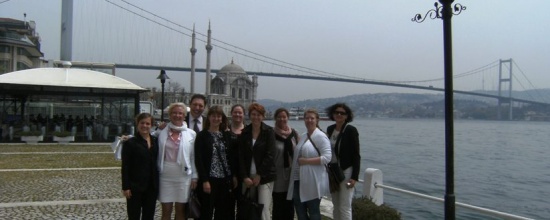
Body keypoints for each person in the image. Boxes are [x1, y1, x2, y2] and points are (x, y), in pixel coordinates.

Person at [287, 109, 331, 220]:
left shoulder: (321, 136)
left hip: (313, 180)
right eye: (307, 118)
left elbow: (327, 158)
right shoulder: (304, 136)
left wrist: (306, 161)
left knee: (313, 211)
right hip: (298, 179)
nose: (309, 120)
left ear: (317, 120)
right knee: (300, 211)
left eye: (312, 118)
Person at [194, 105, 237, 220]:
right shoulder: (202, 136)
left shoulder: (226, 135)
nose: (216, 119)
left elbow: (231, 157)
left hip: (224, 179)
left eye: (218, 116)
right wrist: (205, 180)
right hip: (210, 178)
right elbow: (199, 160)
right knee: (207, 210)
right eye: (213, 116)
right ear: (208, 118)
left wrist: (233, 176)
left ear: (222, 119)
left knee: (222, 211)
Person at [157, 103, 198, 220]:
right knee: (166, 210)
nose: (177, 115)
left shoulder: (191, 134)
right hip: (165, 175)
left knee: (180, 210)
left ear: (184, 116)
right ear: (169, 115)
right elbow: (146, 137)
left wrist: (194, 176)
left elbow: (192, 156)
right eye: (174, 113)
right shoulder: (162, 132)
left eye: (180, 113)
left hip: (183, 176)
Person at [238, 103, 276, 220]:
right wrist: (244, 176)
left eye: (259, 115)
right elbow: (240, 157)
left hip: (265, 176)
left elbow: (270, 155)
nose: (256, 117)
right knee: (248, 206)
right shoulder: (244, 133)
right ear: (249, 116)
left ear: (263, 116)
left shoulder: (269, 132)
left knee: (263, 209)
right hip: (248, 176)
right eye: (253, 114)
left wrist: (259, 175)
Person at [326, 103, 360, 220]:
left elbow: (356, 155)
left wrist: (354, 177)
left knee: (345, 206)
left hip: (346, 171)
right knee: (335, 205)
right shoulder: (330, 129)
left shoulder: (351, 130)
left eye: (342, 113)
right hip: (333, 172)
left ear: (347, 116)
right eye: (336, 112)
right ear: (333, 114)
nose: (339, 115)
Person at [121, 113, 159, 220]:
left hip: (151, 187)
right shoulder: (130, 143)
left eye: (148, 123)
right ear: (137, 124)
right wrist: (126, 186)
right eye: (142, 123)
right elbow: (125, 166)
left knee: (149, 216)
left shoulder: (155, 141)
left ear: (151, 125)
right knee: (134, 216)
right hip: (135, 187)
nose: (145, 126)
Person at [272, 108, 298, 220]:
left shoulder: (294, 133)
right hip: (277, 176)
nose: (282, 119)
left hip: (292, 175)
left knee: (290, 206)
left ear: (288, 118)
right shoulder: (271, 134)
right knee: (278, 205)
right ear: (275, 118)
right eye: (279, 117)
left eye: (284, 116)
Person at [228, 104, 246, 219]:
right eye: (235, 112)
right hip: (228, 174)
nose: (237, 115)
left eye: (240, 113)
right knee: (227, 207)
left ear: (244, 115)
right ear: (231, 113)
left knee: (243, 207)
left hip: (244, 174)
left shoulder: (248, 131)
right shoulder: (225, 130)